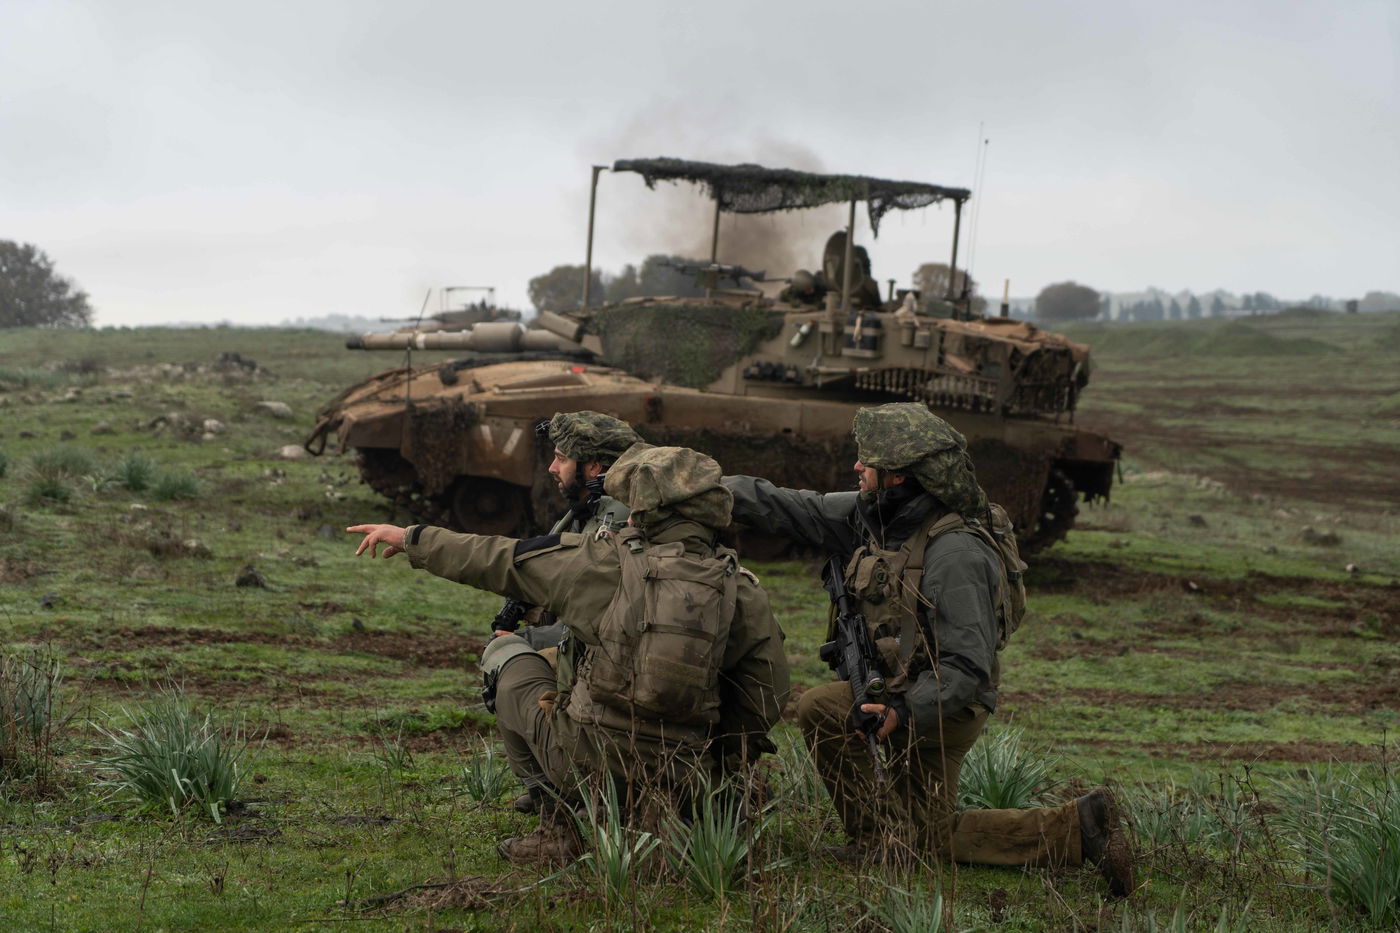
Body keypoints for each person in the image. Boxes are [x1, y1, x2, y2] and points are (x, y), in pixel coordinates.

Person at [722, 402, 1134, 896]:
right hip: (899, 689)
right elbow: (789, 506)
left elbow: (967, 666)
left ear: (897, 476)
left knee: (923, 836)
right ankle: (879, 838)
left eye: (867, 461)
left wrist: (903, 710)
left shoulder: (955, 552)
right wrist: (700, 484)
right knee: (836, 727)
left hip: (944, 707)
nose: (856, 467)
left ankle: (1078, 827)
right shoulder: (876, 516)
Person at [348, 444, 790, 865]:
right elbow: (765, 696)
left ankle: (557, 831)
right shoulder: (742, 588)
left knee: (508, 657)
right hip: (691, 774)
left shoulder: (598, 561)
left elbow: (497, 557)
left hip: (586, 764)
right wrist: (713, 761)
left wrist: (413, 538)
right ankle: (688, 820)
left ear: (646, 508)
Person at [495, 412, 639, 812]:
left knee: (506, 660)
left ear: (594, 466)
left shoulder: (615, 517)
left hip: (615, 673)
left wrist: (525, 639)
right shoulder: (593, 509)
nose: (551, 467)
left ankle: (556, 800)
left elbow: (604, 623)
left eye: (561, 457)